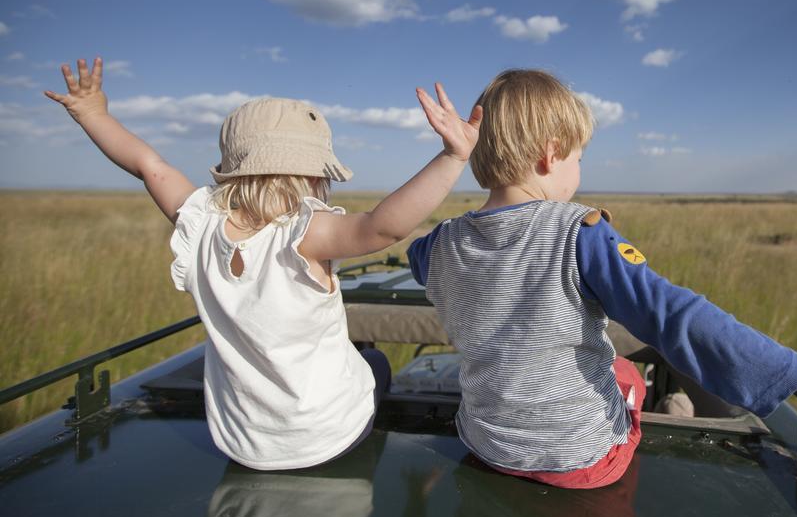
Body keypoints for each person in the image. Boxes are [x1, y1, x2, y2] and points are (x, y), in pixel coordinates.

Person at [407, 68, 797, 490]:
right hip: (578, 461)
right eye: (579, 158)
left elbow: (415, 255)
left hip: (487, 442)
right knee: (629, 377)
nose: (579, 172)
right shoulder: (579, 232)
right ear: (550, 153)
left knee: (616, 375)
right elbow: (675, 315)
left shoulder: (440, 244)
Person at [46, 56, 482, 470]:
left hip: (242, 443)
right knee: (375, 364)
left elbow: (148, 164)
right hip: (327, 437)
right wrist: (452, 157)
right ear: (314, 176)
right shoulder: (306, 233)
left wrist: (92, 114)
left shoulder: (197, 220)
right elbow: (382, 228)